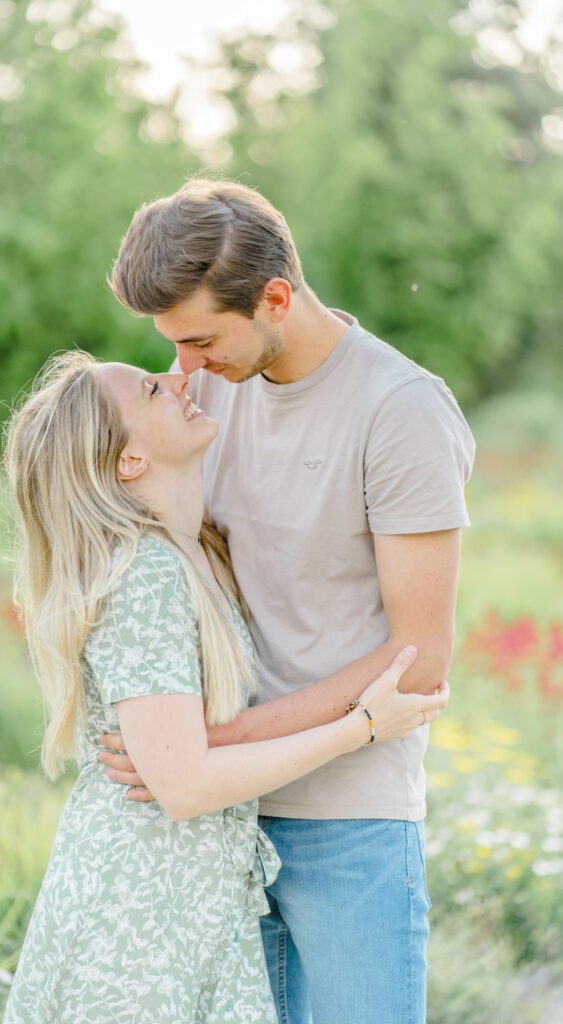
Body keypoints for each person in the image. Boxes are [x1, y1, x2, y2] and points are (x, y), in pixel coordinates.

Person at [101, 178, 476, 1024]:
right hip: (213, 825)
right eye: (171, 346)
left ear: (275, 297)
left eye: (199, 339)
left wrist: (213, 744)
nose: (182, 369)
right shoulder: (202, 398)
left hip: (347, 819)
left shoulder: (400, 411)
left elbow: (417, 662)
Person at [0, 350, 449, 1024]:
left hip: (181, 905)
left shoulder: (190, 553)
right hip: (138, 916)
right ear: (128, 463)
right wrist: (359, 727)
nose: (178, 377)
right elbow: (183, 785)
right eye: (152, 389)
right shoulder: (146, 573)